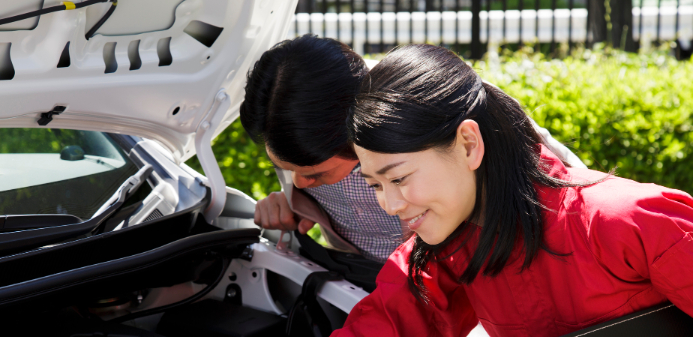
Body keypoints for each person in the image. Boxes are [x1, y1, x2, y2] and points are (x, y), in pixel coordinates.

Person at [196, 44, 693, 337]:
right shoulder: (444, 250)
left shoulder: (627, 219)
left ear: (469, 144)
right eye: (372, 184)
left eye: (398, 178)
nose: (389, 206)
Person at [241, 34, 584, 263]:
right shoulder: (299, 132)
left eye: (314, 173)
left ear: (354, 132)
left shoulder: (446, 104)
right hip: (376, 288)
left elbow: (564, 190)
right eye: (288, 170)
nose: (298, 184)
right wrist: (290, 207)